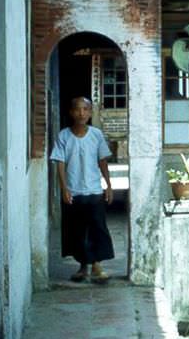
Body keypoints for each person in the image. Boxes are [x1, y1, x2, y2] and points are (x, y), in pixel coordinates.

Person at [50, 96, 115, 283]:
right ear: (71, 112)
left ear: (90, 112)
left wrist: (108, 186)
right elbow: (60, 163)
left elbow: (102, 161)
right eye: (77, 109)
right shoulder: (64, 136)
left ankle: (97, 266)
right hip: (74, 190)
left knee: (97, 227)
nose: (81, 113)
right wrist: (63, 188)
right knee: (77, 229)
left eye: (85, 109)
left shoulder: (96, 135)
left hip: (94, 189)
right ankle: (83, 267)